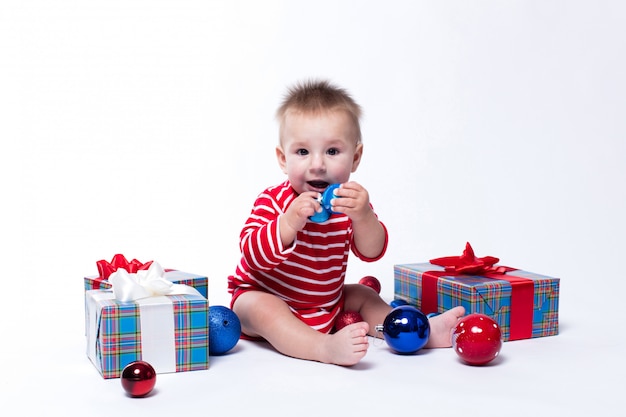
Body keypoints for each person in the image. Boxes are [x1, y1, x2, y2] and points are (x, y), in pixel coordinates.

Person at [228, 79, 465, 366]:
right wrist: (287, 223)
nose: (317, 164)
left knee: (363, 295)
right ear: (283, 158)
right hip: (265, 297)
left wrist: (363, 216)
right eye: (302, 152)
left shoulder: (349, 203)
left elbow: (371, 251)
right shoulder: (275, 200)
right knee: (262, 307)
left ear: (355, 157)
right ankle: (323, 348)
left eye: (332, 151)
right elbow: (251, 254)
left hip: (327, 303)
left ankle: (416, 331)